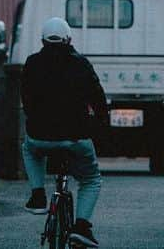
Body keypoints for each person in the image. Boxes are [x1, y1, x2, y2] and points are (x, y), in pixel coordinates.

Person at [21, 16, 109, 249]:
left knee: (29, 150)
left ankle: (38, 194)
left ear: (42, 40)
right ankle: (81, 227)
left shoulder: (32, 63)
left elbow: (26, 101)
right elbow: (98, 100)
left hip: (39, 136)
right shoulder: (81, 64)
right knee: (90, 179)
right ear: (69, 39)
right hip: (76, 137)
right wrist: (100, 127)